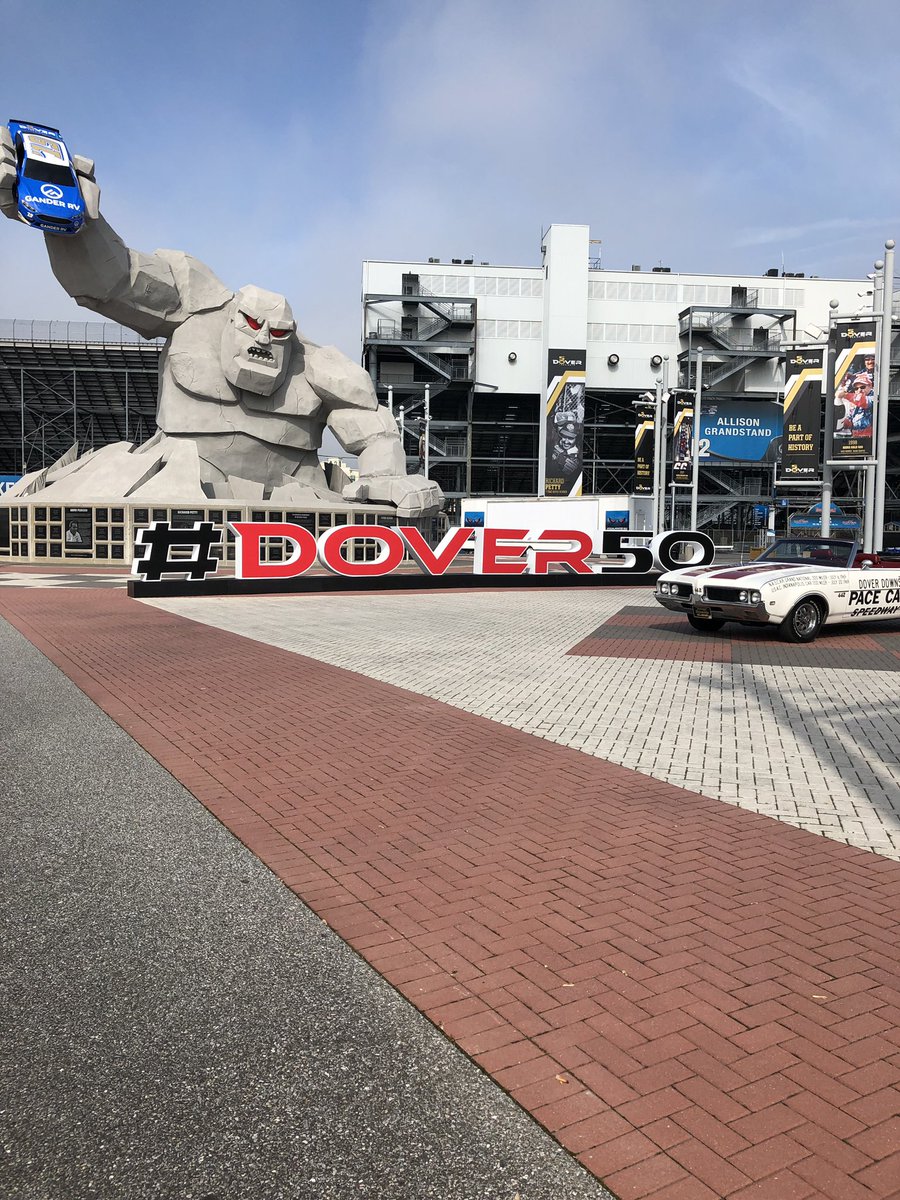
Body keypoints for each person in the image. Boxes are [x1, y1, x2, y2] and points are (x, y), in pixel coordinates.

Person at [0, 126, 442, 518]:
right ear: (232, 318)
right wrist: (70, 218)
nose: (263, 340)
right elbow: (116, 279)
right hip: (170, 485)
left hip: (292, 507)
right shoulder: (193, 304)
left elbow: (374, 430)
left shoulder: (320, 366)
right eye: (251, 324)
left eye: (278, 334)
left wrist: (387, 477)